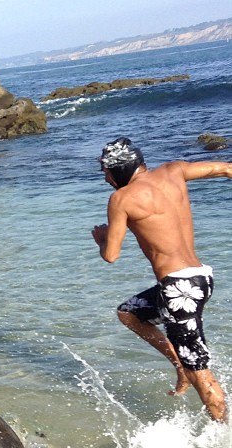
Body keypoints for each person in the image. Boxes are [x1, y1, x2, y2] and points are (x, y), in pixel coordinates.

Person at [92, 136, 231, 423]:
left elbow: (111, 255)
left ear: (120, 168)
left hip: (178, 290)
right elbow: (226, 168)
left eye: (106, 171)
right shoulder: (175, 170)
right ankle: (179, 364)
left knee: (201, 376)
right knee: (129, 313)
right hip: (200, 279)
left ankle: (224, 435)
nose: (105, 178)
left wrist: (102, 238)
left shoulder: (121, 199)